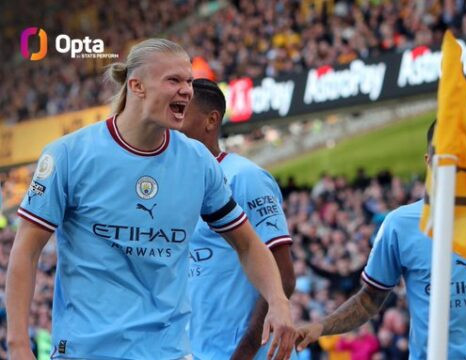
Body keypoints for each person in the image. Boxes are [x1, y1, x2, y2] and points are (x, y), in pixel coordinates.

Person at [6, 39, 296, 360]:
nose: (186, 90)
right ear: (137, 86)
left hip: (168, 352)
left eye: (188, 81)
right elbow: (26, 251)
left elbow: (249, 245)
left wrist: (279, 303)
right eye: (174, 80)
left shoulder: (197, 161)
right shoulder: (70, 155)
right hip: (86, 352)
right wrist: (18, 345)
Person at [296, 124, 466, 359]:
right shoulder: (400, 224)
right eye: (446, 155)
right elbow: (369, 299)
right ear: (429, 161)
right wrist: (321, 327)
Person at [180, 78, 297, 359]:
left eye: (182, 111)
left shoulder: (245, 177)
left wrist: (243, 353)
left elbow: (284, 276)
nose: (172, 122)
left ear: (211, 121)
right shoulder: (176, 187)